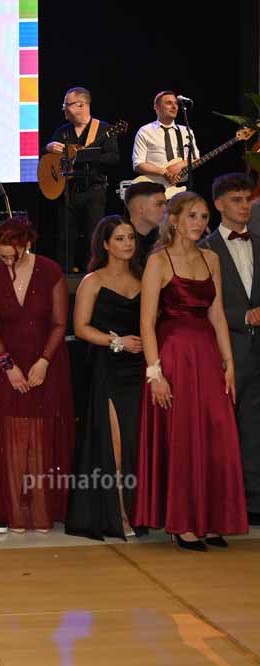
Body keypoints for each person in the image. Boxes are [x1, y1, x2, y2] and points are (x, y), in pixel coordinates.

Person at [135, 191, 248, 550]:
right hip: (174, 357)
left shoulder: (211, 258)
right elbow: (146, 323)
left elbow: (217, 314)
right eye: (193, 216)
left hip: (208, 355)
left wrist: (229, 363)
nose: (200, 223)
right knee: (183, 438)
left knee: (217, 433)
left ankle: (211, 519)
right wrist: (155, 374)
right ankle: (183, 524)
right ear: (174, 220)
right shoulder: (159, 260)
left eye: (203, 217)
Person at [0, 219, 73, 533]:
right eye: (2, 256)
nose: (8, 262)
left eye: (14, 256)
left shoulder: (50, 271)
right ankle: (16, 511)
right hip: (8, 366)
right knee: (12, 437)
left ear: (27, 245)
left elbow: (60, 323)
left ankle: (42, 510)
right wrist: (8, 366)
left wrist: (44, 361)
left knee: (43, 436)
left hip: (47, 362)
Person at [66, 216, 145, 540]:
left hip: (140, 370)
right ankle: (118, 515)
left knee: (137, 443)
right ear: (105, 244)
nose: (127, 244)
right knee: (115, 445)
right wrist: (117, 342)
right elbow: (80, 327)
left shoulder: (144, 278)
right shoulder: (92, 280)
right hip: (107, 368)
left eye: (130, 237)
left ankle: (140, 512)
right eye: (120, 238)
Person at [200, 174, 260, 526]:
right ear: (219, 204)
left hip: (256, 349)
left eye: (247, 199)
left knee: (254, 426)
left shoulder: (259, 242)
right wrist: (243, 316)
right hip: (224, 350)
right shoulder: (204, 249)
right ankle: (221, 501)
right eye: (237, 199)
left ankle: (253, 501)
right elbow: (198, 304)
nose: (245, 205)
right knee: (222, 429)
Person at [45, 87, 120, 272]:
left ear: (81, 105)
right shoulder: (63, 131)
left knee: (93, 237)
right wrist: (48, 147)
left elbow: (113, 158)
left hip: (93, 190)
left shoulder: (104, 129)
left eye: (67, 104)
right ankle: (64, 276)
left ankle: (93, 276)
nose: (63, 108)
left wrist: (88, 156)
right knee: (65, 237)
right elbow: (46, 159)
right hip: (67, 191)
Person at [132, 91, 197, 187]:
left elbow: (195, 158)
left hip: (181, 186)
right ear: (156, 107)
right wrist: (164, 172)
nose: (174, 107)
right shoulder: (145, 131)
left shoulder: (186, 131)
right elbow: (138, 164)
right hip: (155, 187)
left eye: (176, 103)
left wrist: (182, 163)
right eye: (169, 103)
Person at [124, 180, 167, 266]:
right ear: (140, 208)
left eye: (165, 204)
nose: (165, 209)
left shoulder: (165, 239)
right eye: (159, 204)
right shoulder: (119, 244)